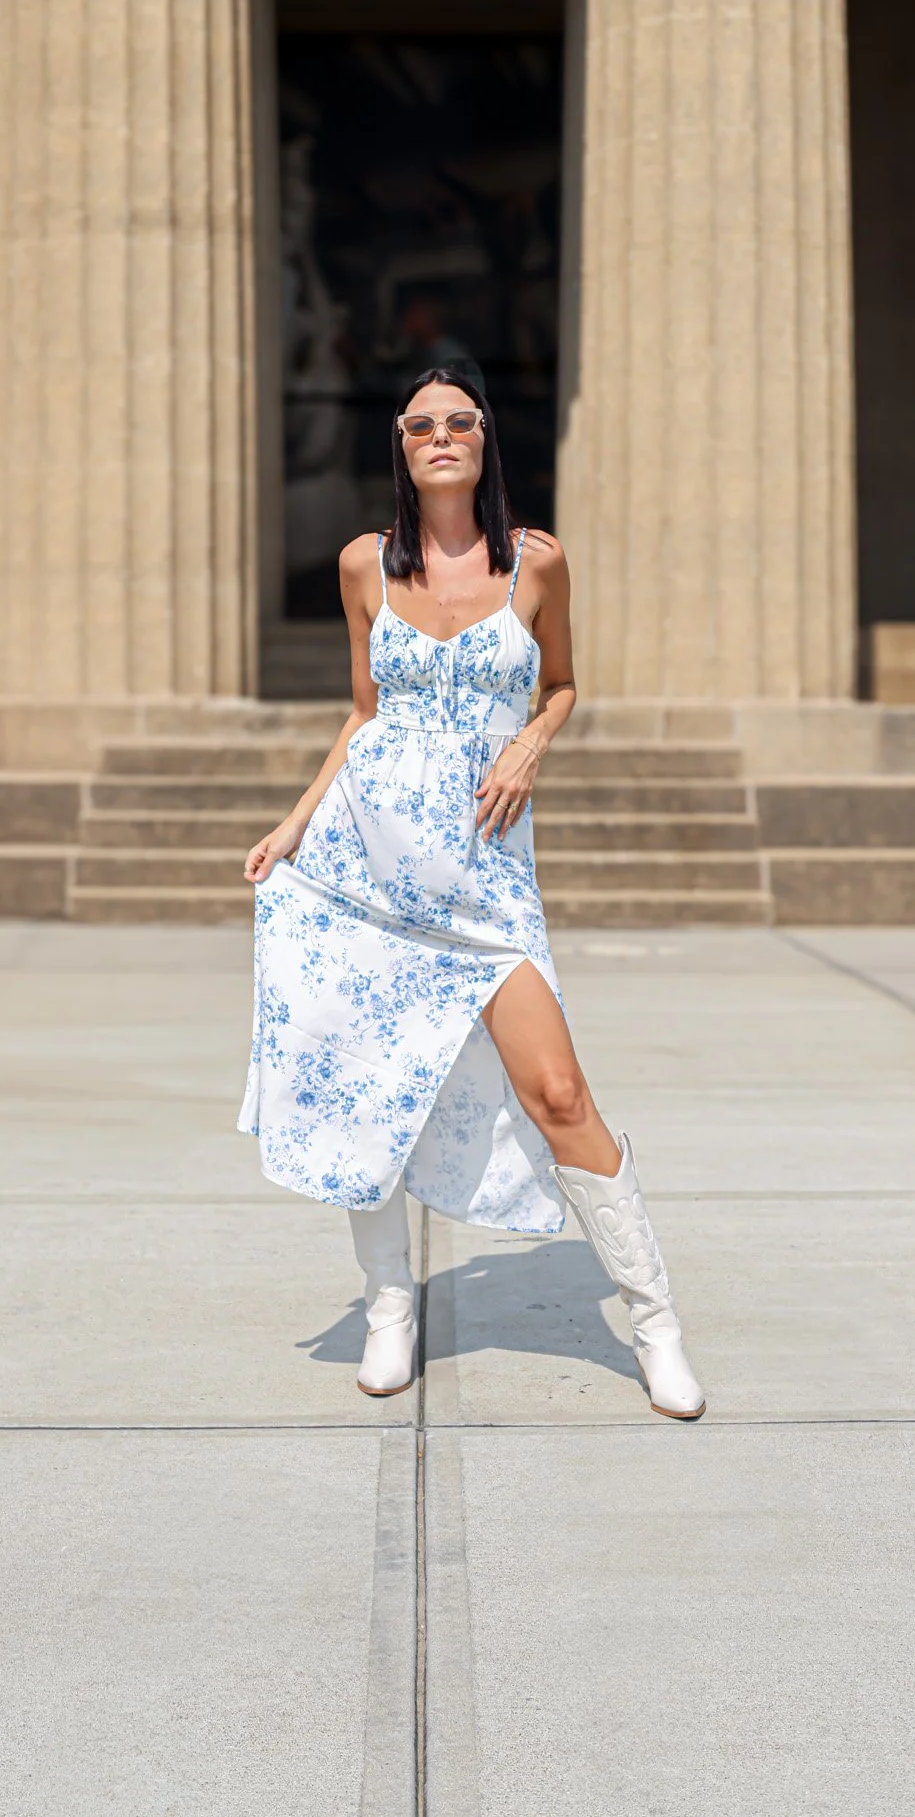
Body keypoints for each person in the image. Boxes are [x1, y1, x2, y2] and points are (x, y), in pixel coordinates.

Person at [237, 369, 704, 1420]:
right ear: (401, 446)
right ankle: (390, 1304)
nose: (441, 436)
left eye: (461, 421)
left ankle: (655, 1318)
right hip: (365, 871)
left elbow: (564, 681)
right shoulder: (365, 565)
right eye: (421, 424)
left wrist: (533, 740)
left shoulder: (537, 561)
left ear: (486, 441)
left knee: (559, 1093)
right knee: (369, 1089)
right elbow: (362, 713)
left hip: (485, 882)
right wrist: (296, 820)